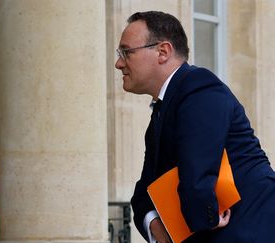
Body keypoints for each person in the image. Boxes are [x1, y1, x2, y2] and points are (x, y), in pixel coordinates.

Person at [115, 11, 275, 243]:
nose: (119, 63)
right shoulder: (164, 109)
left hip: (249, 229)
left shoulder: (199, 87)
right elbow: (143, 194)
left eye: (126, 52)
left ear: (163, 52)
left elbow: (196, 175)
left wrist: (205, 218)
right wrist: (157, 228)